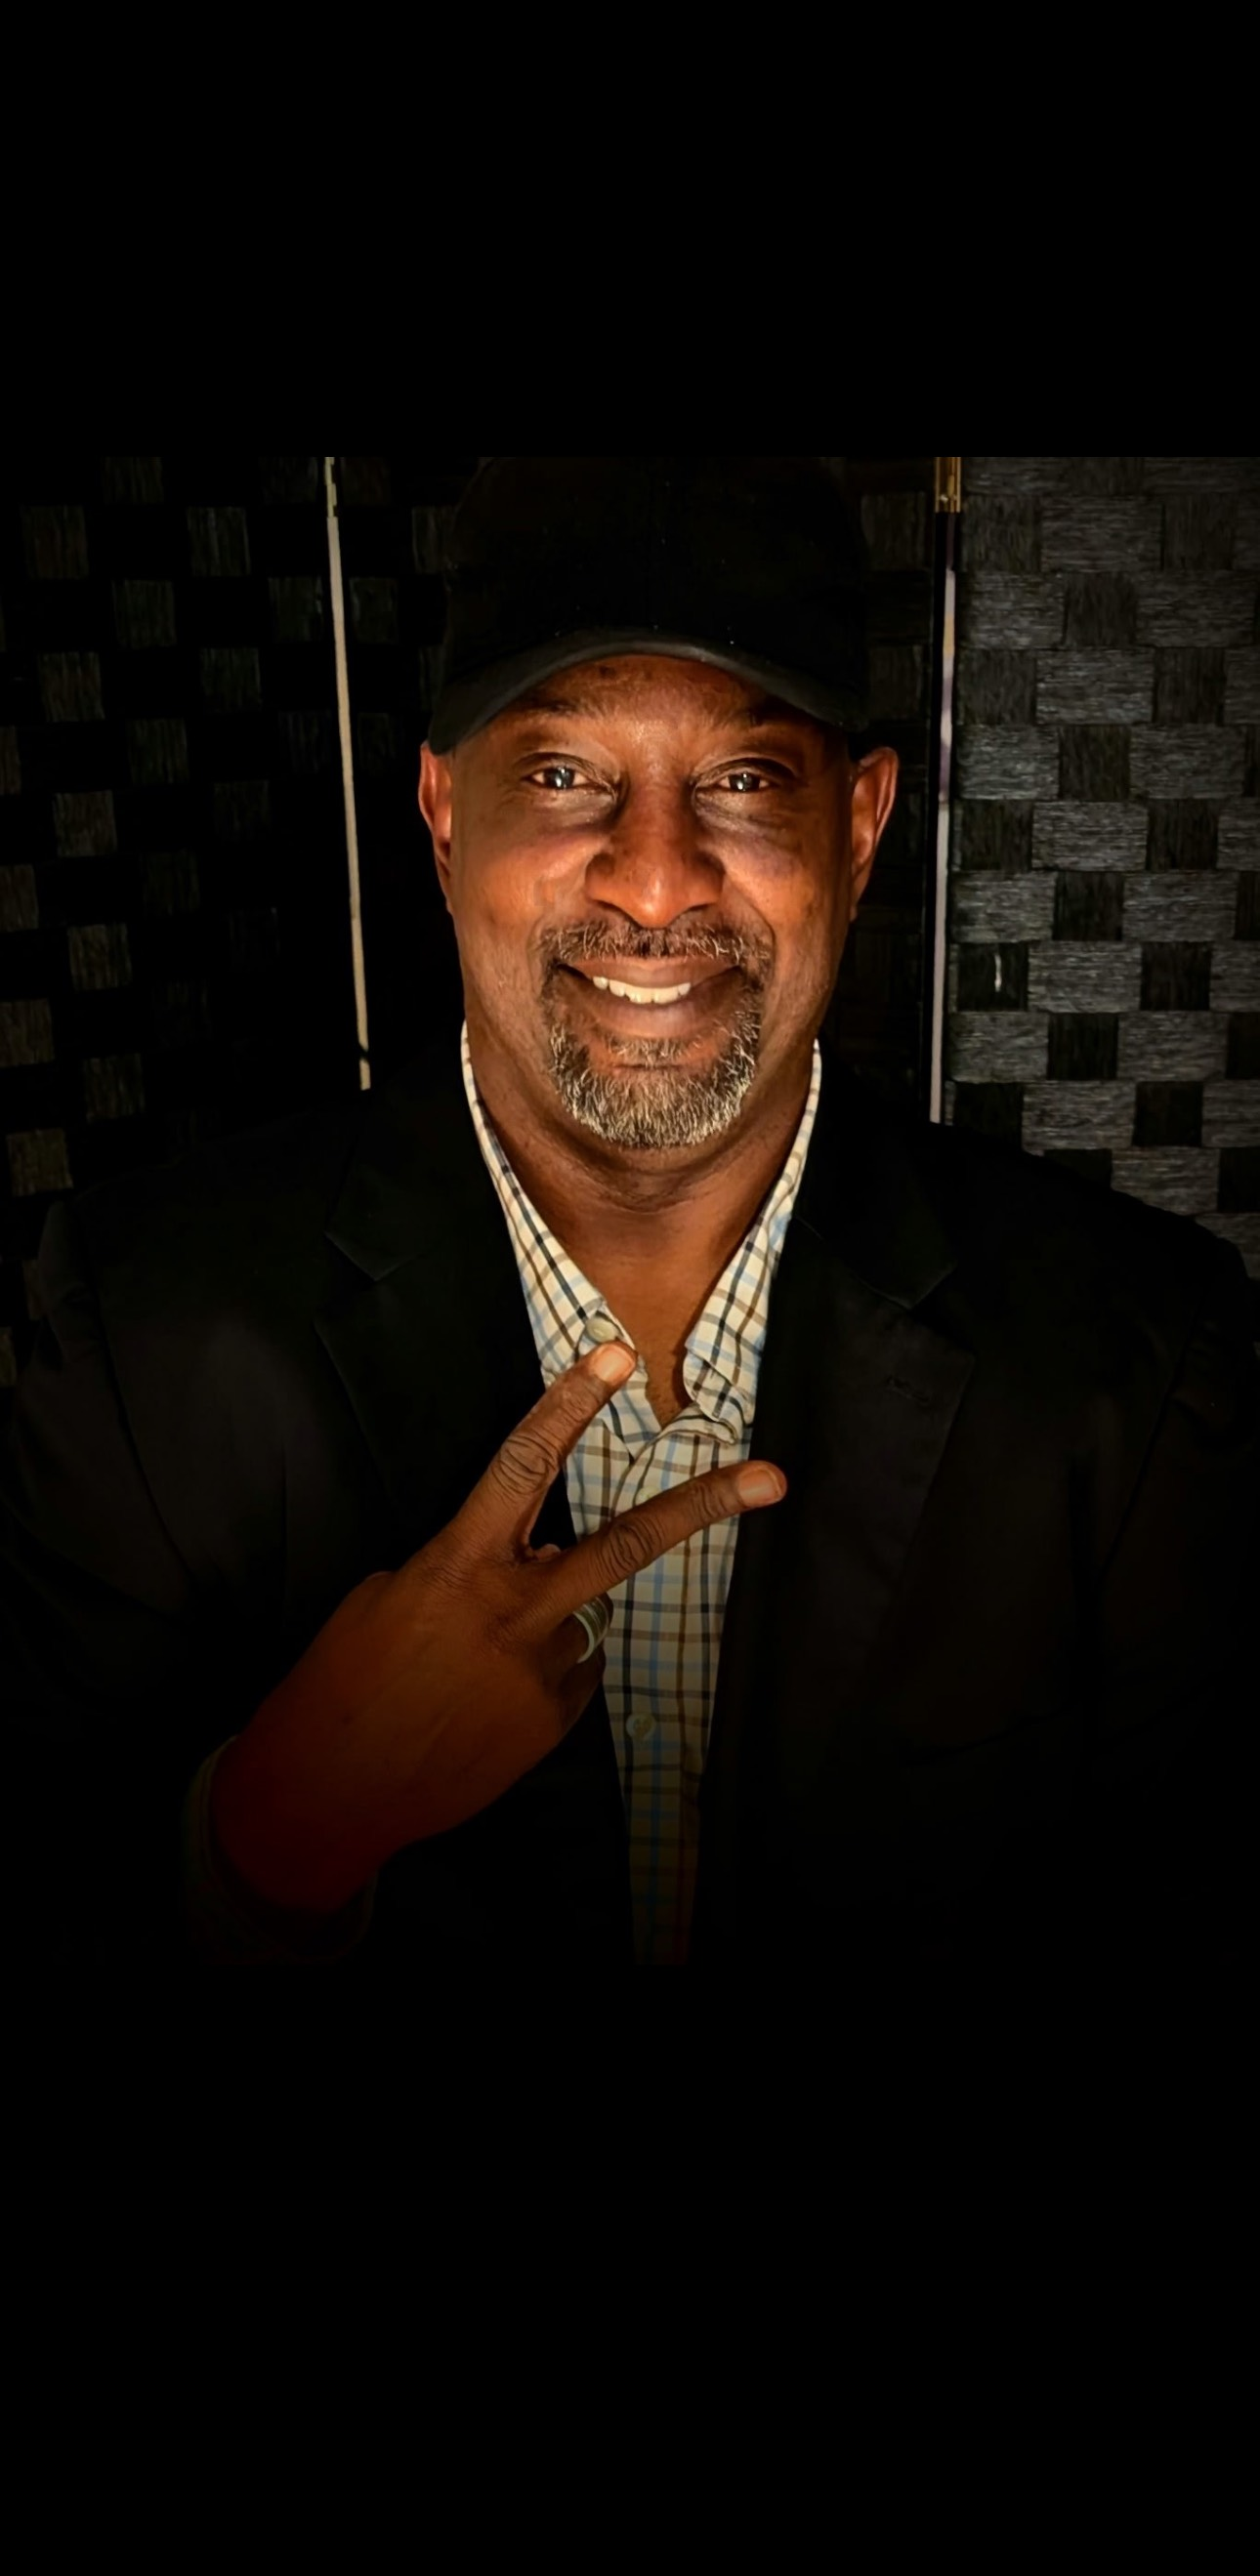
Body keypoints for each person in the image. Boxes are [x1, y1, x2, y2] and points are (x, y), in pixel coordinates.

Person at [1, 455, 1254, 1989]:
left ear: (859, 830)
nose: (655, 882)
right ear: (440, 812)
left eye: (739, 780)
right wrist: (276, 1831)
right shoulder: (142, 1329)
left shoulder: (1131, 1362)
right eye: (557, 774)